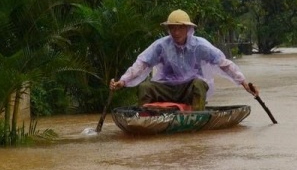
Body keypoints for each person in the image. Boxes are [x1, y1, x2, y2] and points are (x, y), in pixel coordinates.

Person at [110, 10, 259, 110]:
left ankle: (197, 115)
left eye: (180, 28)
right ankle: (146, 117)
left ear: (187, 29)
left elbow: (224, 63)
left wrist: (243, 83)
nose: (175, 32)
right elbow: (142, 64)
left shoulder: (200, 46)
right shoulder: (161, 45)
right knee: (145, 87)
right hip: (167, 87)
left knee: (199, 84)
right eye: (172, 28)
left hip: (189, 88)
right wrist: (123, 81)